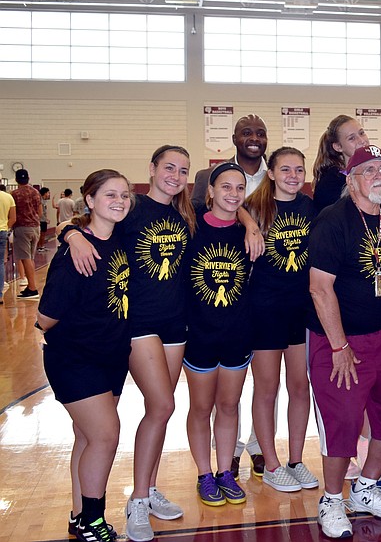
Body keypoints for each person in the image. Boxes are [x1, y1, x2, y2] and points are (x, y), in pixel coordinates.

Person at [65, 146, 197, 541]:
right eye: (168, 167)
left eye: (183, 170)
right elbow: (85, 221)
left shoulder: (184, 213)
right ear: (152, 169)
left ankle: (150, 488)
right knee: (162, 405)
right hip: (137, 323)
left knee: (159, 414)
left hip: (175, 323)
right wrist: (72, 235)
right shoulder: (132, 206)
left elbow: (235, 203)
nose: (175, 175)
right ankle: (135, 500)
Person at [308, 145, 381, 539]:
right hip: (337, 341)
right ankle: (332, 499)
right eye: (369, 170)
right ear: (352, 180)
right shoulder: (332, 222)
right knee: (343, 424)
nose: (380, 176)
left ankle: (366, 488)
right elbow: (320, 290)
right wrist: (339, 346)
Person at [37, 169, 132, 542]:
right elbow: (45, 317)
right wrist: (72, 236)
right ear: (90, 200)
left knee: (88, 437)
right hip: (76, 359)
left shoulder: (121, 237)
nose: (119, 202)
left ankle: (79, 517)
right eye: (110, 195)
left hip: (112, 356)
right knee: (106, 436)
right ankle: (94, 520)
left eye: (125, 195)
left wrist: (70, 229)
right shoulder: (75, 253)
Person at [243, 147, 319, 493]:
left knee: (300, 386)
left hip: (301, 309)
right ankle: (270, 463)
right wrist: (247, 222)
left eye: (299, 170)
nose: (293, 175)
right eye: (285, 169)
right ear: (270, 173)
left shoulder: (310, 207)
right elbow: (213, 210)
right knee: (267, 388)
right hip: (264, 310)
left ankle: (296, 459)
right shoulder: (254, 208)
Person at [184, 162, 252, 508]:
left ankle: (225, 472)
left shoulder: (249, 233)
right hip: (199, 334)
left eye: (239, 188)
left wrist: (250, 222)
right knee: (201, 407)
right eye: (225, 187)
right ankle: (204, 473)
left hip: (237, 334)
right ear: (210, 191)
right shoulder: (190, 227)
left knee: (228, 405)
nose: (233, 194)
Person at [312, 114, 370, 212]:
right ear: (338, 147)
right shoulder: (330, 184)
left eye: (362, 133)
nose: (362, 141)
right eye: (352, 138)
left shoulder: (375, 173)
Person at [11, 168, 42, 298]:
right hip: (35, 227)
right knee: (30, 258)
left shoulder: (14, 194)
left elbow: (11, 213)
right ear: (28, 178)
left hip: (22, 228)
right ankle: (31, 285)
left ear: (17, 179)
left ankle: (33, 288)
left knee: (25, 258)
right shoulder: (35, 192)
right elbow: (40, 211)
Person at [0, 184, 15, 300]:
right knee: (0, 263)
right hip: (2, 231)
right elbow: (13, 218)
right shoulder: (8, 197)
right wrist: (6, 228)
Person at [38, 186, 51, 250]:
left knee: (43, 233)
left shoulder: (45, 201)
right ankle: (40, 246)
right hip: (41, 220)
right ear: (45, 193)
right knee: (41, 234)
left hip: (43, 219)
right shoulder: (41, 201)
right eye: (48, 193)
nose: (49, 194)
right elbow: (41, 212)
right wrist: (45, 219)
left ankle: (41, 245)